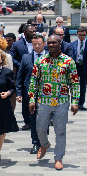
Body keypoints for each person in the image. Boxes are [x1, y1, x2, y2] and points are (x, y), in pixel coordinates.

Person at [28, 35, 79, 170]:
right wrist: (32, 99)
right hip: (43, 101)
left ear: (60, 44)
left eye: (54, 42)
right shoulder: (40, 61)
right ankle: (44, 144)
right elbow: (34, 81)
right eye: (49, 43)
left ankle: (58, 157)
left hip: (61, 101)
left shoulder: (69, 62)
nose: (51, 45)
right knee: (40, 129)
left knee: (60, 131)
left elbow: (74, 83)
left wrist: (75, 101)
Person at [16, 34, 47, 154]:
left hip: (47, 93)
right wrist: (19, 92)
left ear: (44, 43)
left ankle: (44, 140)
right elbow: (20, 76)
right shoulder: (26, 58)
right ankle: (35, 143)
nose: (37, 46)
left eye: (39, 43)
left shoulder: (50, 57)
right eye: (34, 44)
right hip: (31, 93)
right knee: (33, 118)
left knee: (45, 118)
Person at [71, 27, 87, 110]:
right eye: (80, 35)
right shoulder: (73, 44)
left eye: (83, 35)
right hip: (76, 66)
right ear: (77, 34)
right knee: (74, 84)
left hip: (84, 66)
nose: (81, 37)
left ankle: (81, 103)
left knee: (83, 86)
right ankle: (73, 102)